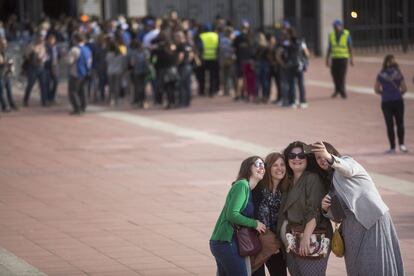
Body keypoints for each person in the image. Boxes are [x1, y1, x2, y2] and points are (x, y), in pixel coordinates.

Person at [312, 141, 404, 276]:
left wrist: (329, 158)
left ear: (330, 152)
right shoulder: (330, 181)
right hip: (351, 230)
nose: (321, 160)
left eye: (323, 155)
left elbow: (348, 169)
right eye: (318, 158)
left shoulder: (347, 161)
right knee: (356, 268)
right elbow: (338, 216)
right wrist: (326, 209)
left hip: (372, 222)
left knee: (376, 265)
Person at [277, 141, 331, 276]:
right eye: (292, 155)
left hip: (311, 237)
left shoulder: (312, 179)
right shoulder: (287, 181)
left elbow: (315, 210)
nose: (296, 159)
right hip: (292, 240)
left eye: (301, 155)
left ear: (307, 159)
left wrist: (306, 238)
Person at [210, 156, 267, 276]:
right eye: (257, 164)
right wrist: (254, 223)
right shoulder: (242, 185)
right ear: (248, 167)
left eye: (263, 165)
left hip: (227, 243)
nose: (261, 167)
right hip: (227, 242)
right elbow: (232, 214)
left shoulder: (248, 189)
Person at [252, 153, 287, 276]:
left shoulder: (285, 191)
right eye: (275, 165)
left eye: (282, 165)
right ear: (268, 168)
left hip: (276, 245)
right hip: (257, 243)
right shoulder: (258, 188)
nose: (279, 168)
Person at [374, 55, 408, 153]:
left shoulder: (381, 74)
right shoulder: (398, 74)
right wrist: (397, 94)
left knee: (390, 125)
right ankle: (402, 145)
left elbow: (376, 89)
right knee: (400, 123)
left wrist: (384, 94)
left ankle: (392, 147)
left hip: (386, 102)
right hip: (398, 101)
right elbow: (404, 88)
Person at [326, 19, 353, 99]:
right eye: (334, 26)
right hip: (334, 58)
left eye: (336, 26)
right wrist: (327, 59)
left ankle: (342, 91)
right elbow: (329, 47)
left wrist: (352, 59)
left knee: (341, 75)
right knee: (334, 74)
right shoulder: (331, 34)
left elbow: (350, 47)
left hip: (343, 58)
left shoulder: (346, 34)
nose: (335, 27)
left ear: (340, 26)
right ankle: (337, 90)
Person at [67, 32, 92, 115]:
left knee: (73, 91)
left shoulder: (75, 49)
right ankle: (83, 107)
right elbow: (89, 62)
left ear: (75, 39)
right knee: (83, 91)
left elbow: (69, 61)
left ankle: (77, 108)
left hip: (76, 73)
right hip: (85, 73)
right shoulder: (87, 49)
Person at [0, 38, 17, 111]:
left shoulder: (6, 52)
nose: (4, 45)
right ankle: (5, 106)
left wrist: (11, 64)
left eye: (5, 43)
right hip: (0, 75)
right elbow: (2, 63)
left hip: (7, 74)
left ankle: (11, 104)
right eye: (3, 43)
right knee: (1, 91)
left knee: (9, 90)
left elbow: (10, 61)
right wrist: (6, 63)